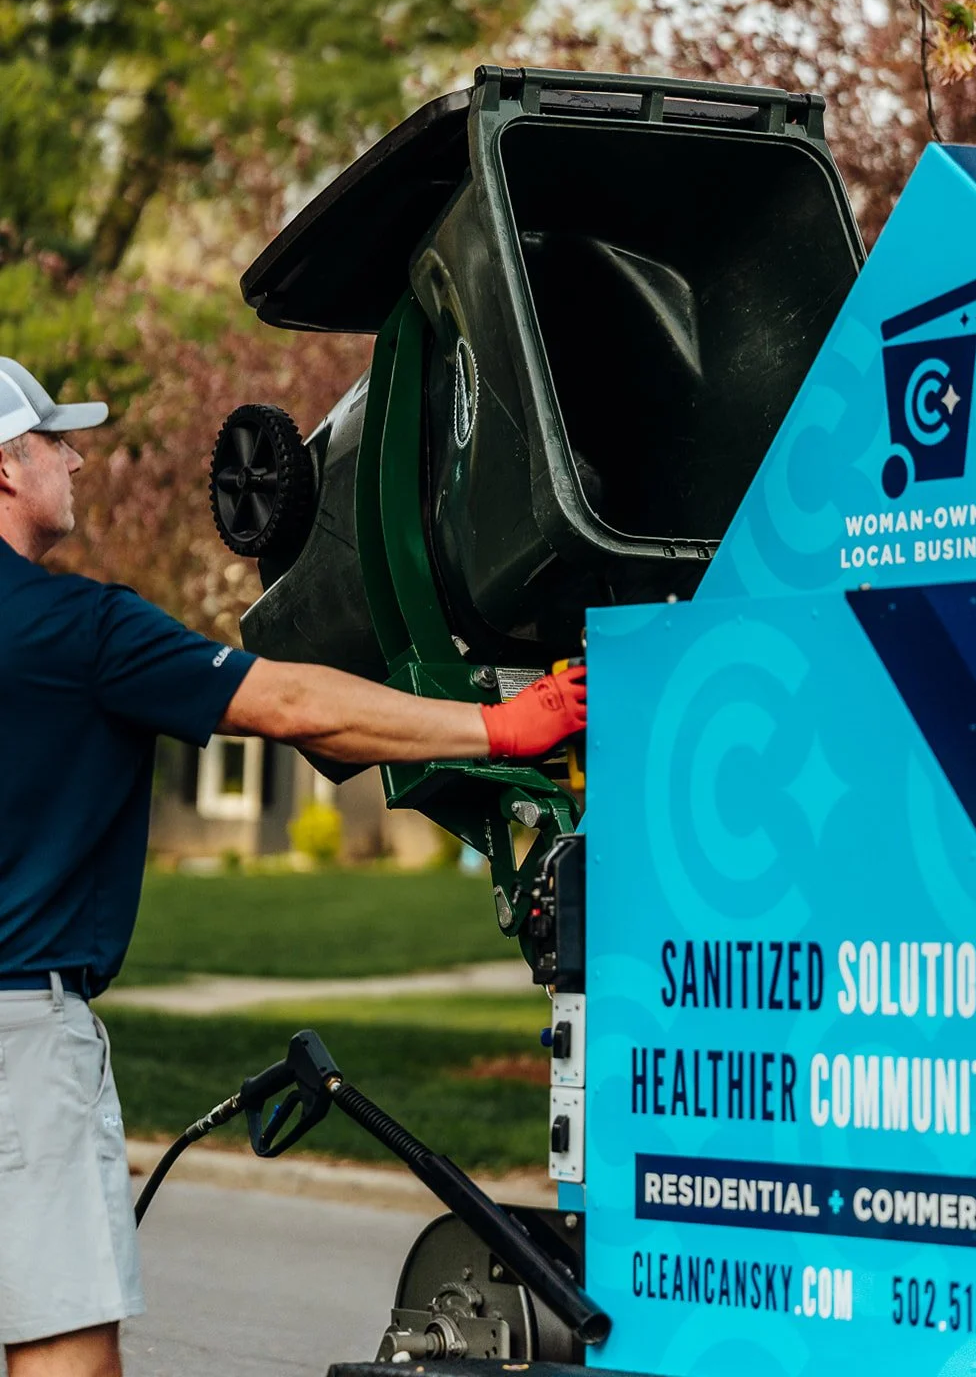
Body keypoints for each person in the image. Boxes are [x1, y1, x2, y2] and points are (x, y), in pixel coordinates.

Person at [0, 357, 587, 1377]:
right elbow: (294, 704)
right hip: (19, 1040)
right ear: (7, 469)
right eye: (57, 442)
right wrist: (497, 724)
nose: (78, 458)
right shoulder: (76, 629)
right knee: (65, 1357)